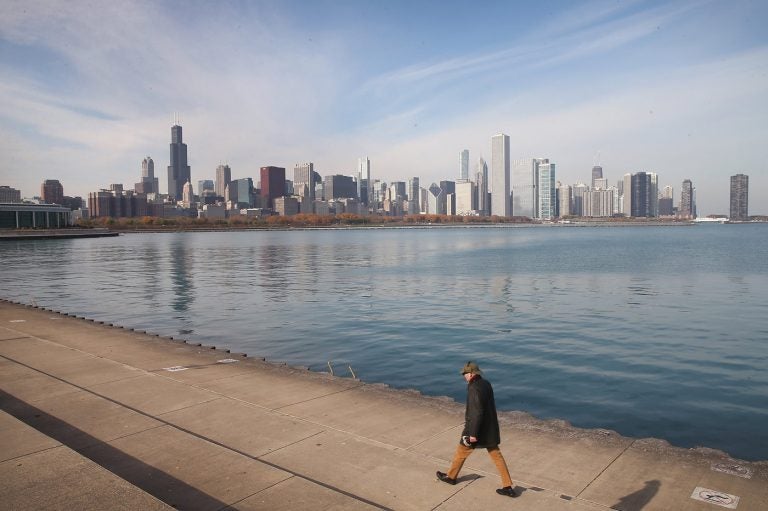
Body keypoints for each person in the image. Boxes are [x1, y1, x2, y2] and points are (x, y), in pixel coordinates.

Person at [436, 361, 518, 498]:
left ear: (473, 373)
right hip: (490, 429)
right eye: (464, 374)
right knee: (497, 456)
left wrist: (472, 434)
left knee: (461, 451)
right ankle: (508, 486)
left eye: (466, 374)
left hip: (476, 429)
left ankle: (451, 477)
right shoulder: (486, 383)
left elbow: (476, 412)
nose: (464, 376)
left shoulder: (473, 388)